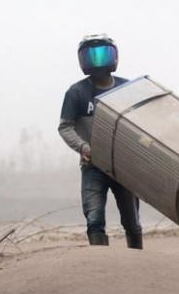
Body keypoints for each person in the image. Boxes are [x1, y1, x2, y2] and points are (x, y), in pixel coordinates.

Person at [58, 34, 143, 248]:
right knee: (94, 218)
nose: (97, 61)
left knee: (132, 222)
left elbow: (140, 122)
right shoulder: (76, 92)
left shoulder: (127, 88)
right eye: (91, 55)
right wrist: (84, 147)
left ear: (114, 57)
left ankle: (139, 262)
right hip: (92, 166)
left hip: (124, 166)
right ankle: (100, 265)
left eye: (103, 54)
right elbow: (65, 127)